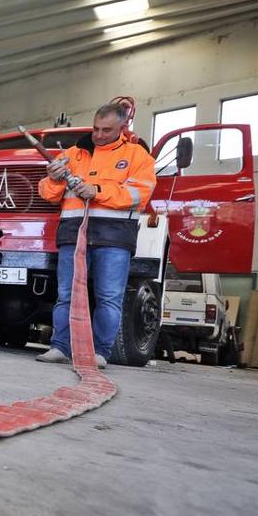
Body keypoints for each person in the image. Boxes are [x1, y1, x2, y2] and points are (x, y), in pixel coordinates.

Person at [36, 101, 156, 368]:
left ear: (123, 128)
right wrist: (53, 178)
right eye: (95, 129)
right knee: (66, 294)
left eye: (106, 130)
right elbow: (46, 193)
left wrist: (97, 192)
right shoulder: (73, 153)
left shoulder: (138, 156)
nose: (99, 135)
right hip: (73, 233)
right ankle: (59, 347)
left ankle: (100, 352)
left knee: (109, 296)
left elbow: (140, 194)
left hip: (114, 237)